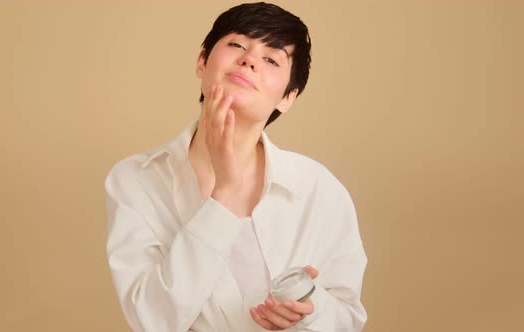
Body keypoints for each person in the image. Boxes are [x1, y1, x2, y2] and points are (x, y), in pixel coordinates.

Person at [105, 2, 367, 331]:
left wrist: (309, 311)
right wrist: (224, 195)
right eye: (237, 45)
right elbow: (153, 320)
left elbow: (349, 320)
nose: (249, 60)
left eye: (272, 59)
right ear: (202, 61)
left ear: (288, 97)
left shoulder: (318, 188)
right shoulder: (135, 179)